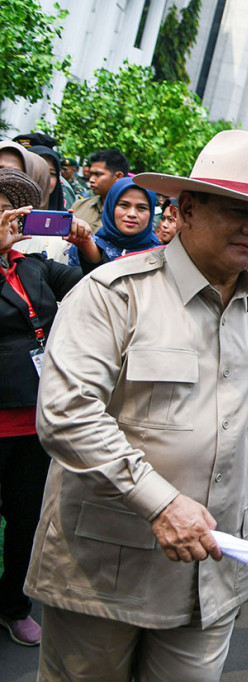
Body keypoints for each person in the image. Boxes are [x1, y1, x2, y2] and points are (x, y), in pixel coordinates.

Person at [24, 129, 248, 681]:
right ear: (188, 208)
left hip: (213, 569)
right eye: (237, 209)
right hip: (104, 566)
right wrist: (160, 502)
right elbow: (67, 415)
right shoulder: (115, 293)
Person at [0, 169, 102, 648]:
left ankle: (13, 606)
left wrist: (84, 243)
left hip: (34, 423)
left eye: (14, 212)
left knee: (25, 519)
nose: (9, 220)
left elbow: (93, 287)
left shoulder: (32, 267)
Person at [67, 176, 161, 266]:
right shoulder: (85, 246)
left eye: (141, 208)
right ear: (110, 207)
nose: (132, 214)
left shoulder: (161, 256)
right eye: (124, 205)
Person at [70, 148, 130, 233]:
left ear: (118, 176)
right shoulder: (79, 206)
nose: (91, 179)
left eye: (98, 174)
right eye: (91, 174)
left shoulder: (129, 215)